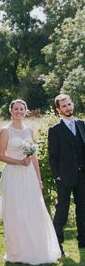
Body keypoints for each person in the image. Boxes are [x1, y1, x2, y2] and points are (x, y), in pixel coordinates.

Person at [0, 99, 59, 264]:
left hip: (29, 175)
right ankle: (17, 252)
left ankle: (35, 249)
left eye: (22, 109)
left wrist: (38, 179)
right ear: (11, 111)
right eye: (15, 109)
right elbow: (0, 155)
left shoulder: (29, 130)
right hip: (13, 174)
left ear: (26, 111)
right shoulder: (5, 131)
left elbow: (34, 158)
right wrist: (19, 162)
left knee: (33, 210)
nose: (19, 111)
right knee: (15, 212)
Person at [48, 93, 85, 253]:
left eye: (69, 104)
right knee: (62, 210)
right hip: (64, 176)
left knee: (83, 209)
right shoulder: (55, 130)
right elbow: (53, 156)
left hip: (82, 175)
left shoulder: (82, 124)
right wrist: (57, 175)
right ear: (59, 110)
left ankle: (83, 241)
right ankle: (58, 245)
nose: (68, 108)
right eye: (64, 106)